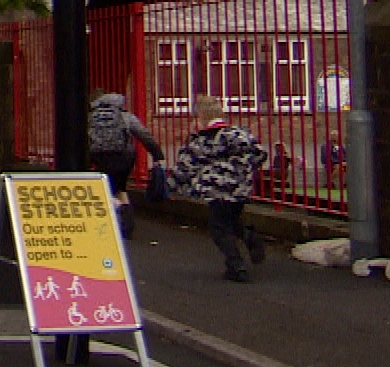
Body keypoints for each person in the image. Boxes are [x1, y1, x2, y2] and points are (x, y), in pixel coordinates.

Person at [168, 95, 269, 282]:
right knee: (231, 221)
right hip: (241, 189)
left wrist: (169, 188)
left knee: (219, 229)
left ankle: (236, 266)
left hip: (217, 191)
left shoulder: (201, 141)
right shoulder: (240, 134)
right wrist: (244, 173)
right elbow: (260, 155)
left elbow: (185, 168)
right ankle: (251, 238)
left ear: (200, 118)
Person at [86, 92, 164, 239]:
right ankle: (127, 224)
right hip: (124, 158)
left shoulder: (92, 117)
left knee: (107, 189)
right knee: (121, 189)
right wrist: (157, 154)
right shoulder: (124, 116)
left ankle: (110, 220)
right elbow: (143, 134)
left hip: (100, 158)